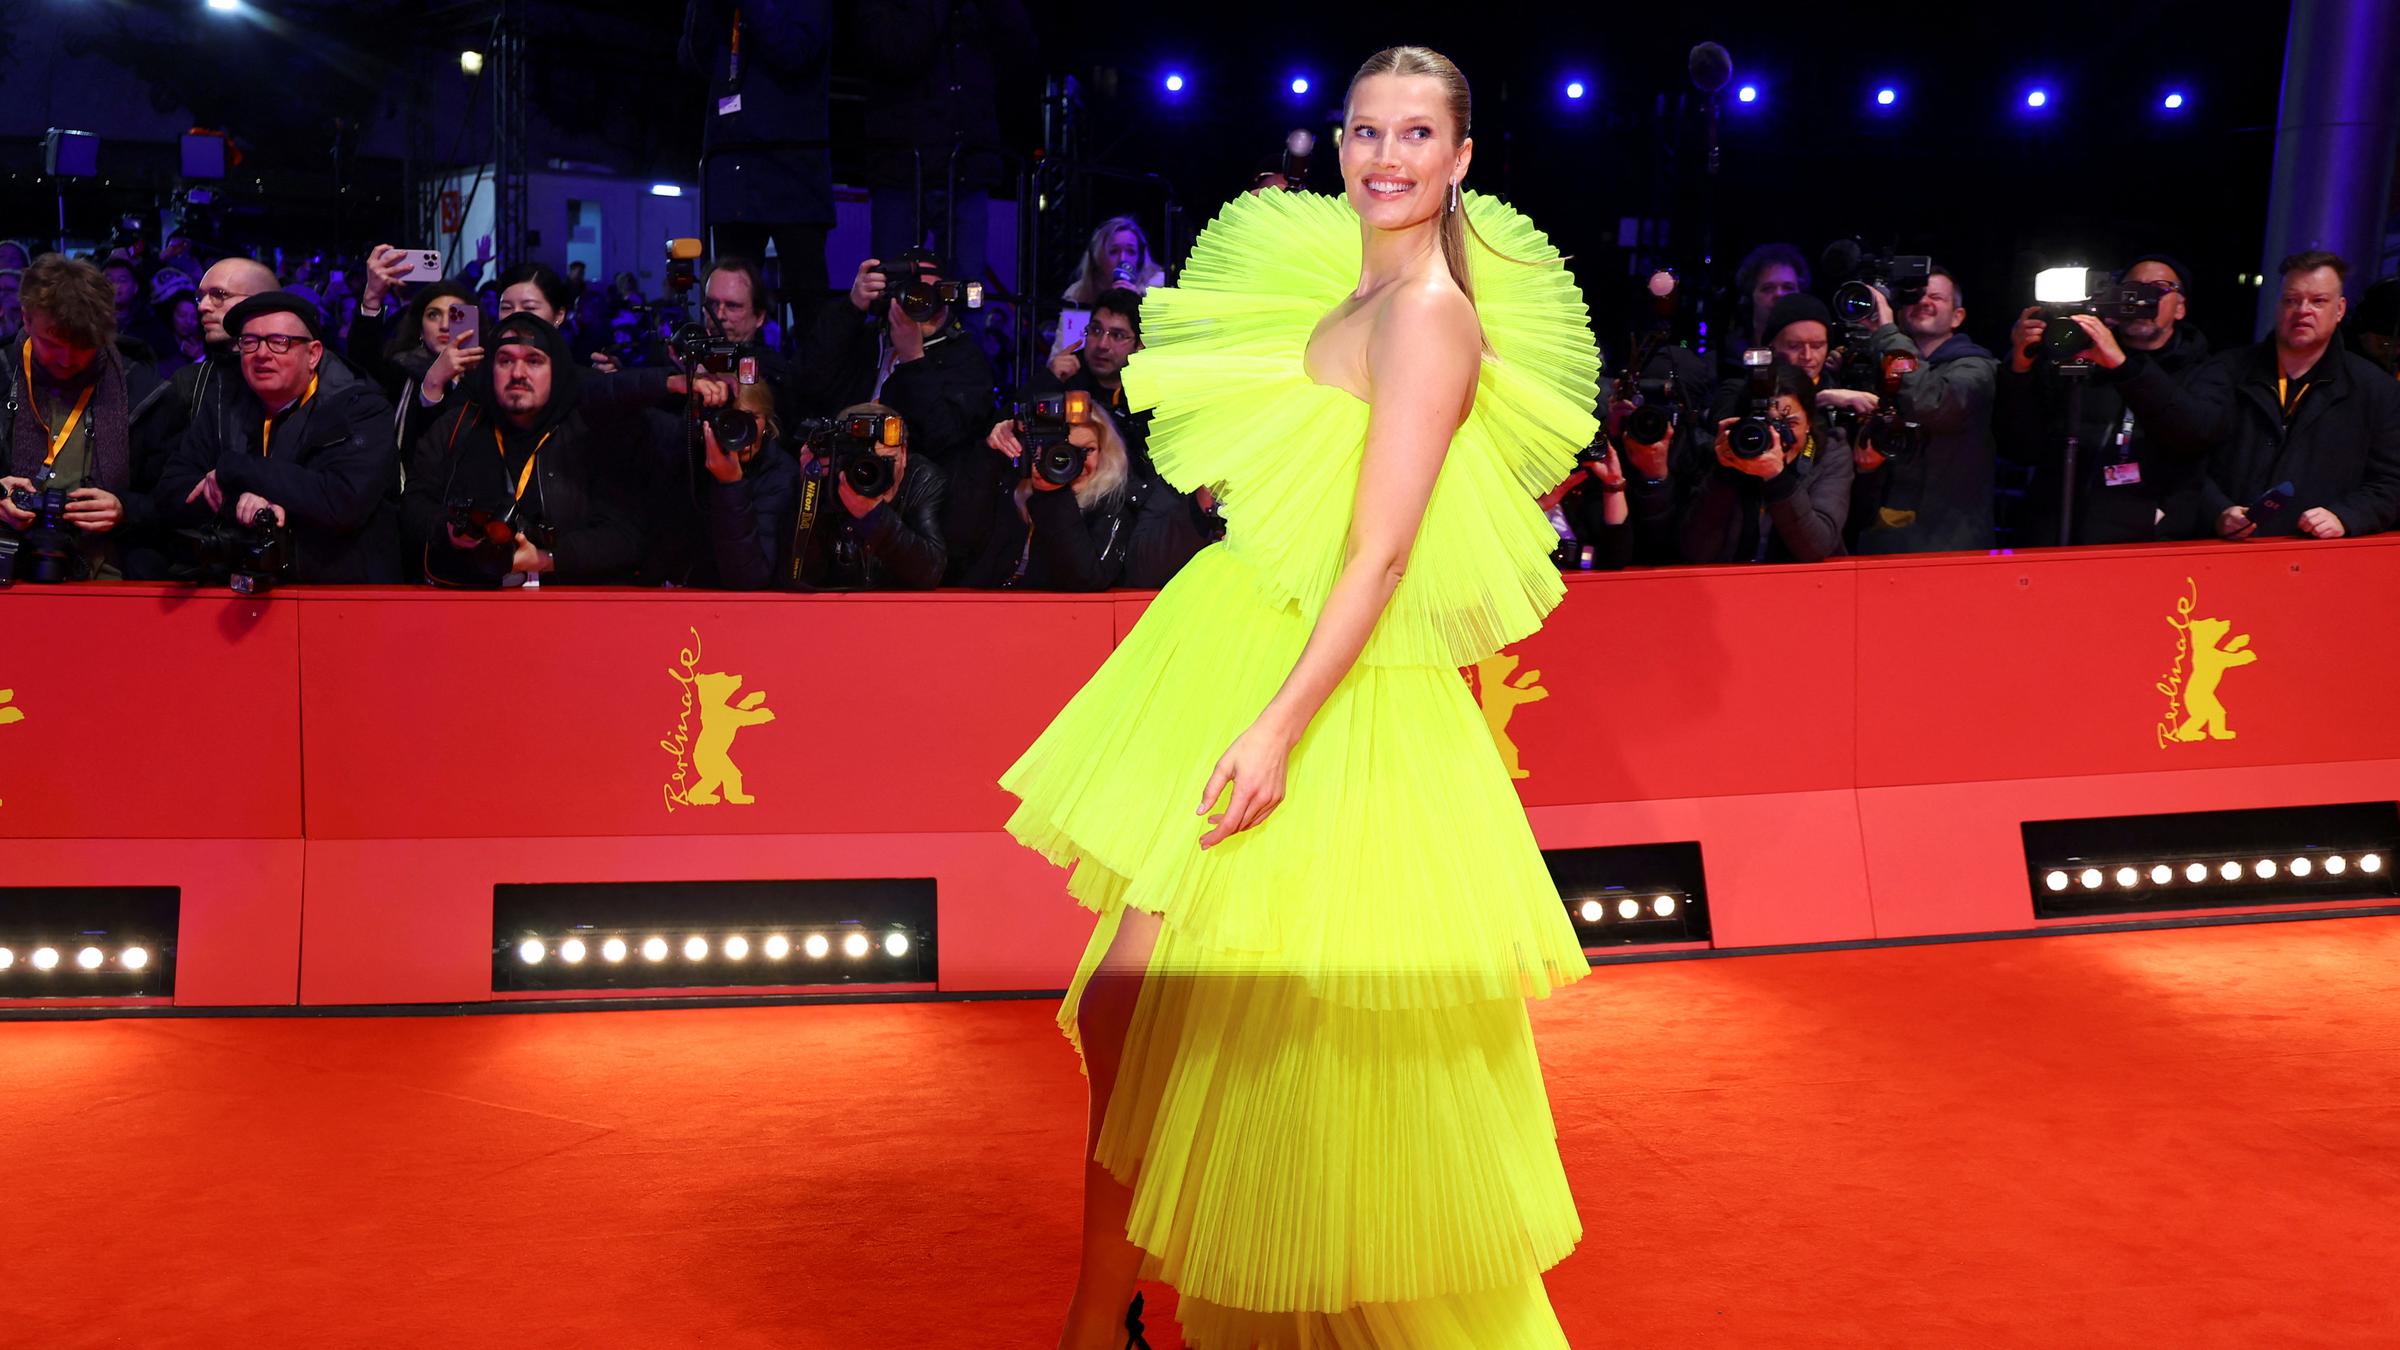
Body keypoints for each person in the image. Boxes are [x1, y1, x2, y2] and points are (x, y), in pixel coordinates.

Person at [997, 45, 1593, 1350]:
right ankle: (1110, 1307)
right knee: (1131, 1010)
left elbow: (1381, 553)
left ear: (1463, 159)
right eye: (1367, 131)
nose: (1388, 157)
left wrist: (1276, 724)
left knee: (1254, 1043)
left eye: (1418, 135)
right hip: (1232, 638)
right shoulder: (1331, 280)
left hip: (1328, 694)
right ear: (1339, 145)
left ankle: (1129, 1316)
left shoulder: (1434, 312)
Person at [402, 313, 697, 586]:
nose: (518, 373)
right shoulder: (458, 425)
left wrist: (549, 560)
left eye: (534, 361)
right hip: (466, 601)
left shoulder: (591, 432)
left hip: (569, 610)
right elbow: (413, 505)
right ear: (490, 368)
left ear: (555, 370)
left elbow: (625, 534)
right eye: (505, 361)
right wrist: (448, 531)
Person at [155, 292, 400, 584]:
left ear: (313, 354)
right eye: (249, 342)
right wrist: (240, 503)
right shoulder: (222, 404)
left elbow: (340, 501)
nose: (261, 353)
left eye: (279, 342)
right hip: (239, 587)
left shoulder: (359, 408)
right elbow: (171, 493)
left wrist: (235, 469)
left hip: (340, 591)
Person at [2170, 251, 2400, 540]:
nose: (2303, 310)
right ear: (2278, 306)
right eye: (2292, 300)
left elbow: (2391, 483)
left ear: (2340, 309)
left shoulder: (2376, 389)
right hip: (2226, 551)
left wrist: (2347, 516)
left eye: (2318, 301)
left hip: (2318, 558)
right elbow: (2183, 458)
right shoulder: (2223, 371)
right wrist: (2217, 510)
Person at [1998, 255, 2212, 545]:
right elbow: (2022, 449)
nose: (2140, 298)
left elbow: (2193, 435)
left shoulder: (2205, 370)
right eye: (2131, 288)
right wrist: (2020, 369)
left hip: (2142, 546)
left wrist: (2122, 366)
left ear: (2181, 307)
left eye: (2159, 287)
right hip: (2052, 534)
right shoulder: (2080, 358)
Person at [0, 255, 176, 579]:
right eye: (52, 344)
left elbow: (174, 500)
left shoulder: (146, 392)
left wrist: (125, 509)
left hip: (110, 568)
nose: (66, 360)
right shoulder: (4, 373)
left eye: (83, 346)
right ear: (26, 319)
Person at [682, 0, 835, 309]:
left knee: (809, 305)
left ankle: (812, 360)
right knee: (730, 306)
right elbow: (691, 61)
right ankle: (737, 359)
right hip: (733, 168)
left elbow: (795, 52)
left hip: (792, 173)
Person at [707, 394, 947, 590]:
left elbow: (930, 572)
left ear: (904, 454)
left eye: (886, 463)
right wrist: (811, 490)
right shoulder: (828, 481)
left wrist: (873, 517)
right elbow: (798, 577)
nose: (874, 475)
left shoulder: (923, 480)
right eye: (863, 465)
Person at [952, 400, 1198, 590]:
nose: (1074, 463)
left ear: (1104, 452)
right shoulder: (1010, 489)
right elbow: (956, 544)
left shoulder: (1116, 507)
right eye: (1062, 451)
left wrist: (1052, 496)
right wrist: (989, 457)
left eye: (1087, 451)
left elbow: (1088, 578)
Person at [1848, 267, 1999, 553]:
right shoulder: (1878, 360)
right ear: (1902, 310)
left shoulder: (1977, 367)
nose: (1924, 301)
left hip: (1949, 542)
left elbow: (1931, 403)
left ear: (1958, 316)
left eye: (1937, 297)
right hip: (1881, 537)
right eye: (1916, 295)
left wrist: (1888, 333)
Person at [1678, 358, 1854, 562]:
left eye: (1788, 423)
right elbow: (1694, 553)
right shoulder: (1725, 451)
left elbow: (1816, 548)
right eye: (1766, 424)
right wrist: (1724, 472)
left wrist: (1777, 479)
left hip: (1805, 586)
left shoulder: (1830, 454)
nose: (1776, 436)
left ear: (1809, 422)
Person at [1052, 217, 1169, 372]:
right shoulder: (1078, 294)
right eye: (1114, 251)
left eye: (1131, 252)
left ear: (1140, 258)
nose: (1123, 259)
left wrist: (1138, 305)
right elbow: (1059, 355)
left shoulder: (1157, 289)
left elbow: (1164, 351)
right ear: (1098, 257)